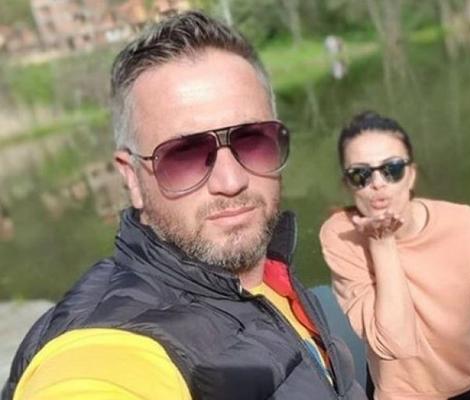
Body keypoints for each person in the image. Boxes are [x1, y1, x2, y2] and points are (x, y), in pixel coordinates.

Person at [2, 11, 366, 400]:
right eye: (184, 156)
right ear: (131, 178)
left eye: (252, 141)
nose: (232, 182)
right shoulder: (106, 345)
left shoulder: (269, 268)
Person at [319, 111, 470, 400]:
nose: (377, 183)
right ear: (348, 185)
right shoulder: (341, 235)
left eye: (392, 169)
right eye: (361, 174)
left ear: (411, 174)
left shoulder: (465, 225)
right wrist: (382, 242)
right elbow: (394, 344)